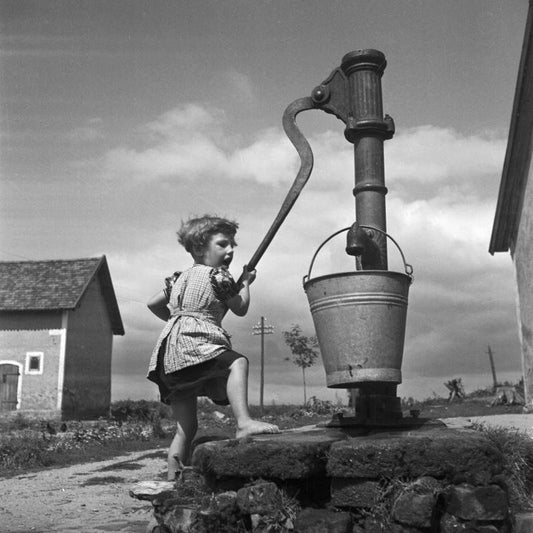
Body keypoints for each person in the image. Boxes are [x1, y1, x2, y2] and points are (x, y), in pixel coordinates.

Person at [147, 215, 279, 481]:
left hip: (169, 355)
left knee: (185, 429)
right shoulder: (219, 277)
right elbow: (240, 308)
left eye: (232, 245)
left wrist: (179, 319)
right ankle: (243, 423)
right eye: (222, 244)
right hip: (194, 345)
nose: (230, 250)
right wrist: (245, 283)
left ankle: (174, 481)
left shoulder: (178, 279)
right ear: (199, 249)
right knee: (237, 363)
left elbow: (153, 303)